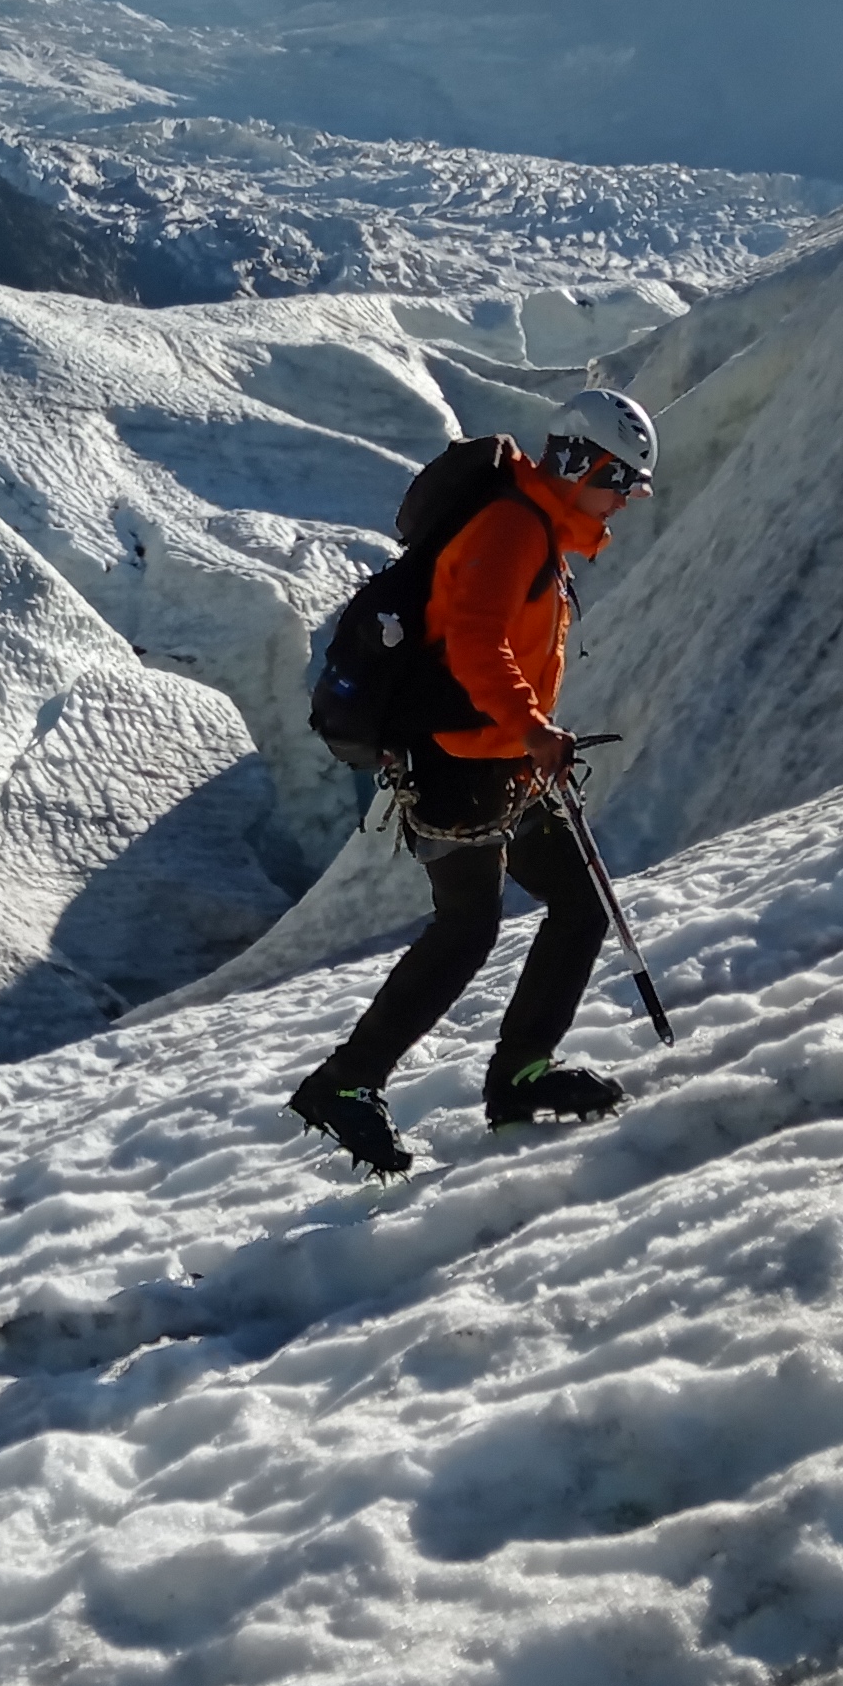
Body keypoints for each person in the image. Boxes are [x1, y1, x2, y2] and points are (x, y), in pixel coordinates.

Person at [289, 389, 658, 1176]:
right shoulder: (510, 527)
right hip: (466, 761)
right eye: (619, 480)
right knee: (472, 927)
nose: (623, 499)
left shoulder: (530, 522)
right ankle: (348, 1084)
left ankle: (516, 1074)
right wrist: (531, 729)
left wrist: (526, 739)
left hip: (497, 761)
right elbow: (475, 644)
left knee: (568, 905)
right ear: (579, 463)